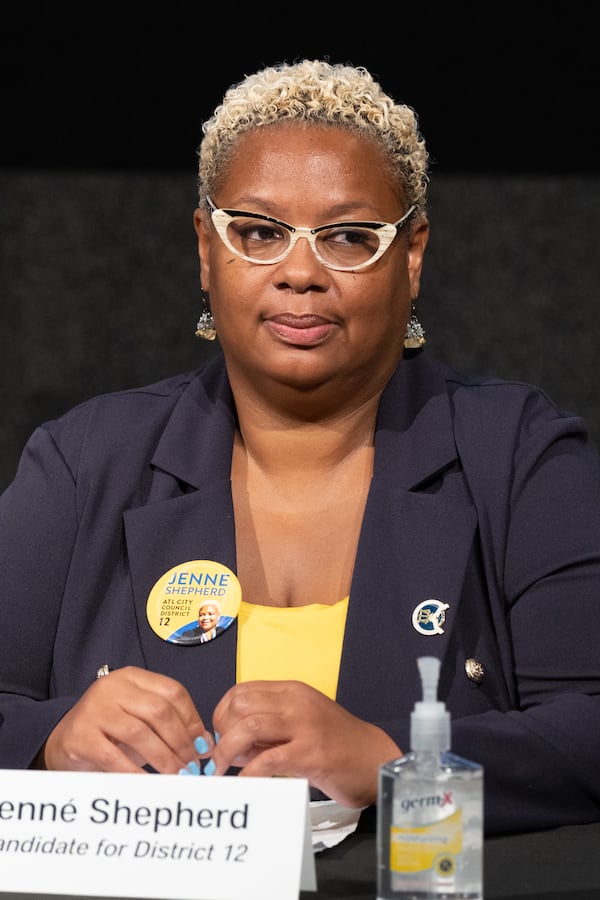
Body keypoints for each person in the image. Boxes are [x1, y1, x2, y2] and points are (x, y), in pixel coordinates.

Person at [0, 58, 599, 839]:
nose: (300, 273)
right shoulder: (83, 463)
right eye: (258, 233)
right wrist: (46, 744)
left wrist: (397, 762)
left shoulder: (518, 457)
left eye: (349, 237)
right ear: (206, 249)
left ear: (412, 254)